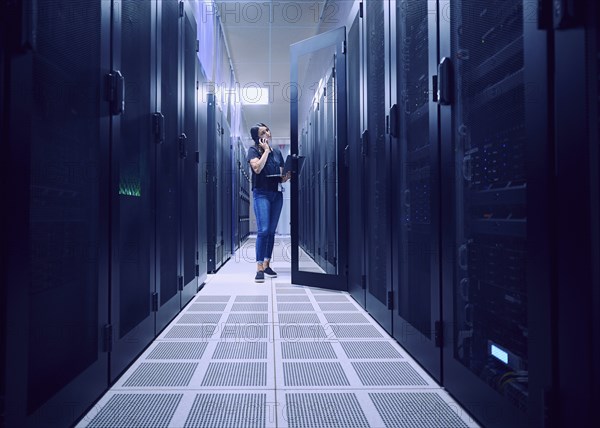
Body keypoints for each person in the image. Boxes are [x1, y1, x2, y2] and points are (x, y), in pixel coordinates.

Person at [247, 123, 291, 282]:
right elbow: (257, 168)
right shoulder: (253, 150)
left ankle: (267, 264)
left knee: (271, 231)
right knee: (264, 230)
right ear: (258, 138)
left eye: (267, 130)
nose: (267, 132)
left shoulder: (278, 152)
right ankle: (259, 267)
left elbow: (281, 174)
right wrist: (265, 151)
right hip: (261, 194)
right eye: (263, 132)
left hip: (276, 194)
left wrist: (287, 175)